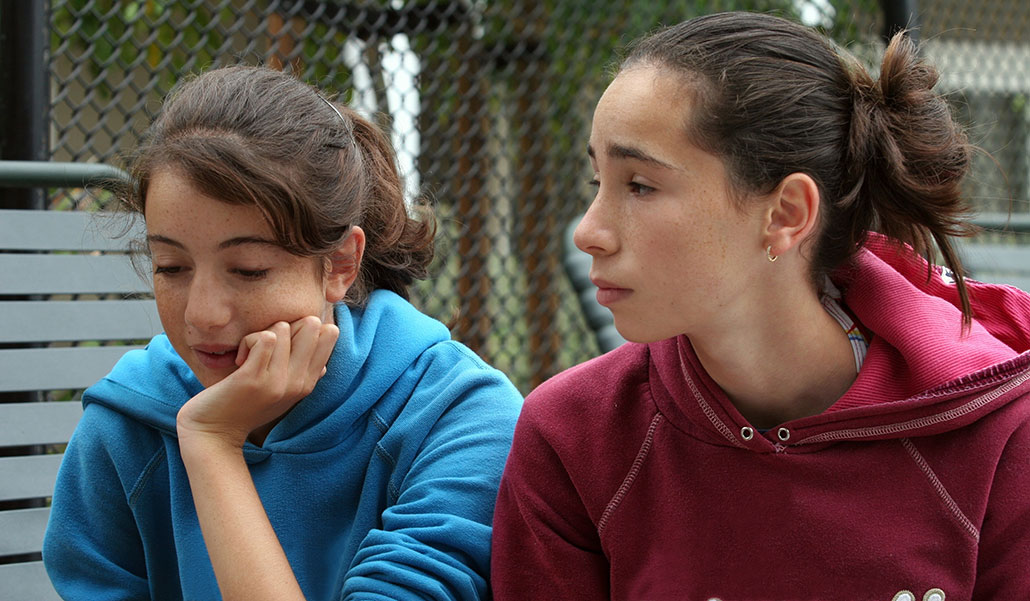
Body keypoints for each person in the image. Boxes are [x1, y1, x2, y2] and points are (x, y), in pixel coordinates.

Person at [491, 11, 1030, 600]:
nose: (588, 232)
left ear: (786, 214)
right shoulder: (574, 437)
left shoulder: (1004, 435)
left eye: (640, 185)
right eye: (598, 183)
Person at [43, 65, 523, 601]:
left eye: (248, 270)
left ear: (341, 264)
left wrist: (213, 445)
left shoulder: (461, 418)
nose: (201, 315)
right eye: (171, 268)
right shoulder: (127, 426)